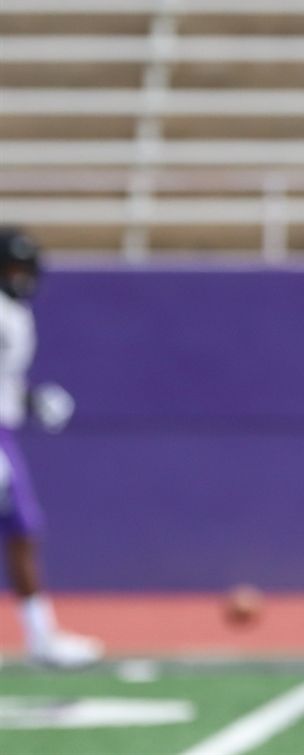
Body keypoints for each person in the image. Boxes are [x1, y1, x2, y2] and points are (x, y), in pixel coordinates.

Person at [0, 229, 103, 668]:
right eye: (13, 267)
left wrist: (30, 399)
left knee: (23, 529)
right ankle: (41, 638)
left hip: (4, 430)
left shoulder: (14, 314)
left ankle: (41, 636)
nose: (21, 276)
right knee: (21, 529)